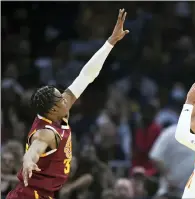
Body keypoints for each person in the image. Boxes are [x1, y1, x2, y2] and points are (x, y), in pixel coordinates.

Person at [6, 9, 129, 199]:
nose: (67, 96)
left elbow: (86, 76)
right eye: (61, 98)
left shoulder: (58, 112)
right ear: (53, 109)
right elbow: (35, 149)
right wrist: (29, 161)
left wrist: (110, 42)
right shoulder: (46, 132)